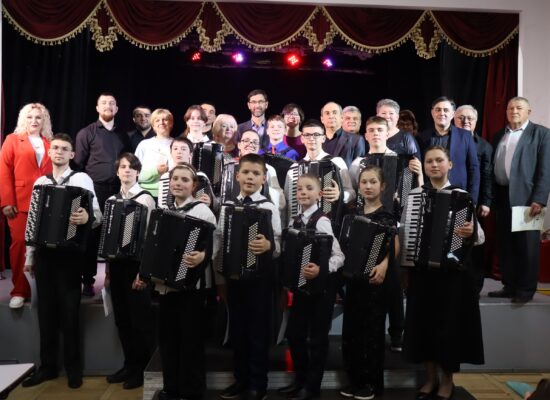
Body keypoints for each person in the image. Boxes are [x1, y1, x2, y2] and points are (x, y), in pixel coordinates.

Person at [401, 146, 484, 400]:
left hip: (452, 275)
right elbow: (406, 232)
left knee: (448, 328)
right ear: (424, 167)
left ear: (450, 164)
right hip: (422, 272)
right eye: (429, 161)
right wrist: (406, 266)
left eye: (439, 160)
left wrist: (470, 232)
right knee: (423, 326)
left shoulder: (461, 196)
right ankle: (430, 379)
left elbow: (480, 237)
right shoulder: (415, 196)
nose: (434, 165)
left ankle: (447, 381)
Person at [22, 133, 102, 389]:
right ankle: (47, 367)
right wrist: (30, 255)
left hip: (70, 254)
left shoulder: (81, 179)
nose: (58, 151)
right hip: (44, 254)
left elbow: (97, 215)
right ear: (49, 152)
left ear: (72, 154)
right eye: (55, 147)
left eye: (64, 149)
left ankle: (73, 369)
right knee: (46, 313)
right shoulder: (41, 182)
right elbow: (33, 220)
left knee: (69, 313)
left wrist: (86, 217)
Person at [137, 163, 217, 400]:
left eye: (185, 180)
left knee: (191, 340)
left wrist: (203, 255)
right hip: (166, 287)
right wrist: (145, 273)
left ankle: (192, 391)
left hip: (193, 288)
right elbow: (152, 246)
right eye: (175, 179)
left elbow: (216, 244)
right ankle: (171, 387)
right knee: (168, 339)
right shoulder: (163, 211)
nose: (179, 183)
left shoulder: (203, 212)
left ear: (193, 186)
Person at [216, 153, 282, 400]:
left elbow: (279, 242)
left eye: (256, 173)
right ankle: (240, 380)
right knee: (238, 331)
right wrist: (220, 279)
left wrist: (269, 245)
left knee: (257, 333)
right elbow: (220, 240)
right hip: (234, 279)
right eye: (246, 172)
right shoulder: (227, 206)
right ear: (237, 176)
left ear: (264, 179)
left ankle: (258, 384)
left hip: (260, 280)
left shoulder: (268, 207)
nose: (250, 177)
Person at [279, 174, 344, 400]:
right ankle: (301, 380)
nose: (303, 192)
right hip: (301, 290)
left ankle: (312, 386)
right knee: (295, 335)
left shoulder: (322, 221)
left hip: (321, 291)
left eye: (309, 188)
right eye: (299, 189)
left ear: (319, 194)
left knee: (317, 339)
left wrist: (320, 269)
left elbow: (339, 256)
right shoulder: (294, 222)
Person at [340, 166, 399, 400]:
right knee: (351, 332)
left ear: (382, 186)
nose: (368, 186)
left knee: (372, 334)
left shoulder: (387, 216)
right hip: (354, 281)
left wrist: (384, 265)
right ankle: (355, 380)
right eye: (364, 182)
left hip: (375, 282)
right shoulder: (351, 213)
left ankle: (372, 384)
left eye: (373, 182)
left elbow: (394, 246)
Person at [488, 97, 550, 303]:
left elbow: (546, 170)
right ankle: (510, 285)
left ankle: (525, 289)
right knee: (506, 245)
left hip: (528, 199)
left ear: (528, 112)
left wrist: (539, 199)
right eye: (510, 108)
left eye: (519, 108)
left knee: (527, 247)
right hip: (502, 196)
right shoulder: (500, 135)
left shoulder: (541, 134)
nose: (514, 111)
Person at [104, 153, 156, 390]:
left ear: (138, 172)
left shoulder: (145, 199)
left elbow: (150, 238)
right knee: (122, 319)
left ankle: (142, 369)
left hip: (136, 267)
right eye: (123, 167)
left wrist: (143, 273)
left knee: (139, 321)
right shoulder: (111, 200)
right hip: (117, 266)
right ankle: (129, 365)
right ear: (117, 172)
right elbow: (108, 238)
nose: (126, 170)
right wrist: (107, 272)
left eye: (131, 167)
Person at [74, 92, 129, 296]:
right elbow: (78, 164)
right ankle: (87, 281)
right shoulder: (86, 133)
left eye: (112, 103)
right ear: (97, 108)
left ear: (117, 109)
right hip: (94, 190)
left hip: (118, 190)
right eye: (104, 103)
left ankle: (113, 281)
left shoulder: (123, 135)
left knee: (115, 237)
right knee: (91, 237)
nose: (108, 106)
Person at [0, 103, 53, 308]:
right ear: (23, 119)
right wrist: (7, 201)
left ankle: (40, 290)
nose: (34, 121)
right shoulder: (13, 140)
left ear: (44, 120)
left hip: (46, 202)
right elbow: (4, 170)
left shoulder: (50, 142)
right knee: (21, 244)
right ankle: (20, 291)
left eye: (38, 117)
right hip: (19, 202)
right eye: (30, 117)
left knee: (44, 247)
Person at [285, 119, 355, 229]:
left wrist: (340, 195)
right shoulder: (293, 168)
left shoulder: (336, 162)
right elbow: (288, 200)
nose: (311, 138)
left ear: (323, 138)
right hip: (301, 227)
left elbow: (352, 193)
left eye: (316, 135)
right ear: (302, 139)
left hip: (329, 223)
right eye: (307, 135)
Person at [454, 105, 493, 294]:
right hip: (454, 200)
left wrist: (485, 201)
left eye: (470, 118)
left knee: (475, 245)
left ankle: (475, 287)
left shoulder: (484, 146)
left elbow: (487, 175)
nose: (465, 121)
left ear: (476, 121)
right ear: (454, 119)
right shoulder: (450, 140)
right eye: (461, 117)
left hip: (475, 202)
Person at [416, 96, 480, 203]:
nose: (442, 113)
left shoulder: (465, 136)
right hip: (429, 195)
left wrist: (472, 201)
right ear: (432, 113)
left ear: (453, 114)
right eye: (438, 110)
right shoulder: (421, 138)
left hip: (459, 196)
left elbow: (474, 169)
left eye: (446, 110)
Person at [134, 108, 174, 199]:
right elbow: (135, 173)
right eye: (157, 120)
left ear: (171, 123)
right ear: (153, 125)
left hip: (169, 194)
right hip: (145, 194)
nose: (161, 122)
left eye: (165, 119)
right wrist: (155, 171)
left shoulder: (176, 144)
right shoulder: (144, 144)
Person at [320, 102, 365, 167]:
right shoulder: (317, 140)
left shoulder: (356, 140)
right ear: (322, 119)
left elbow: (359, 169)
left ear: (341, 117)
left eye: (334, 113)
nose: (331, 116)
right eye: (327, 113)